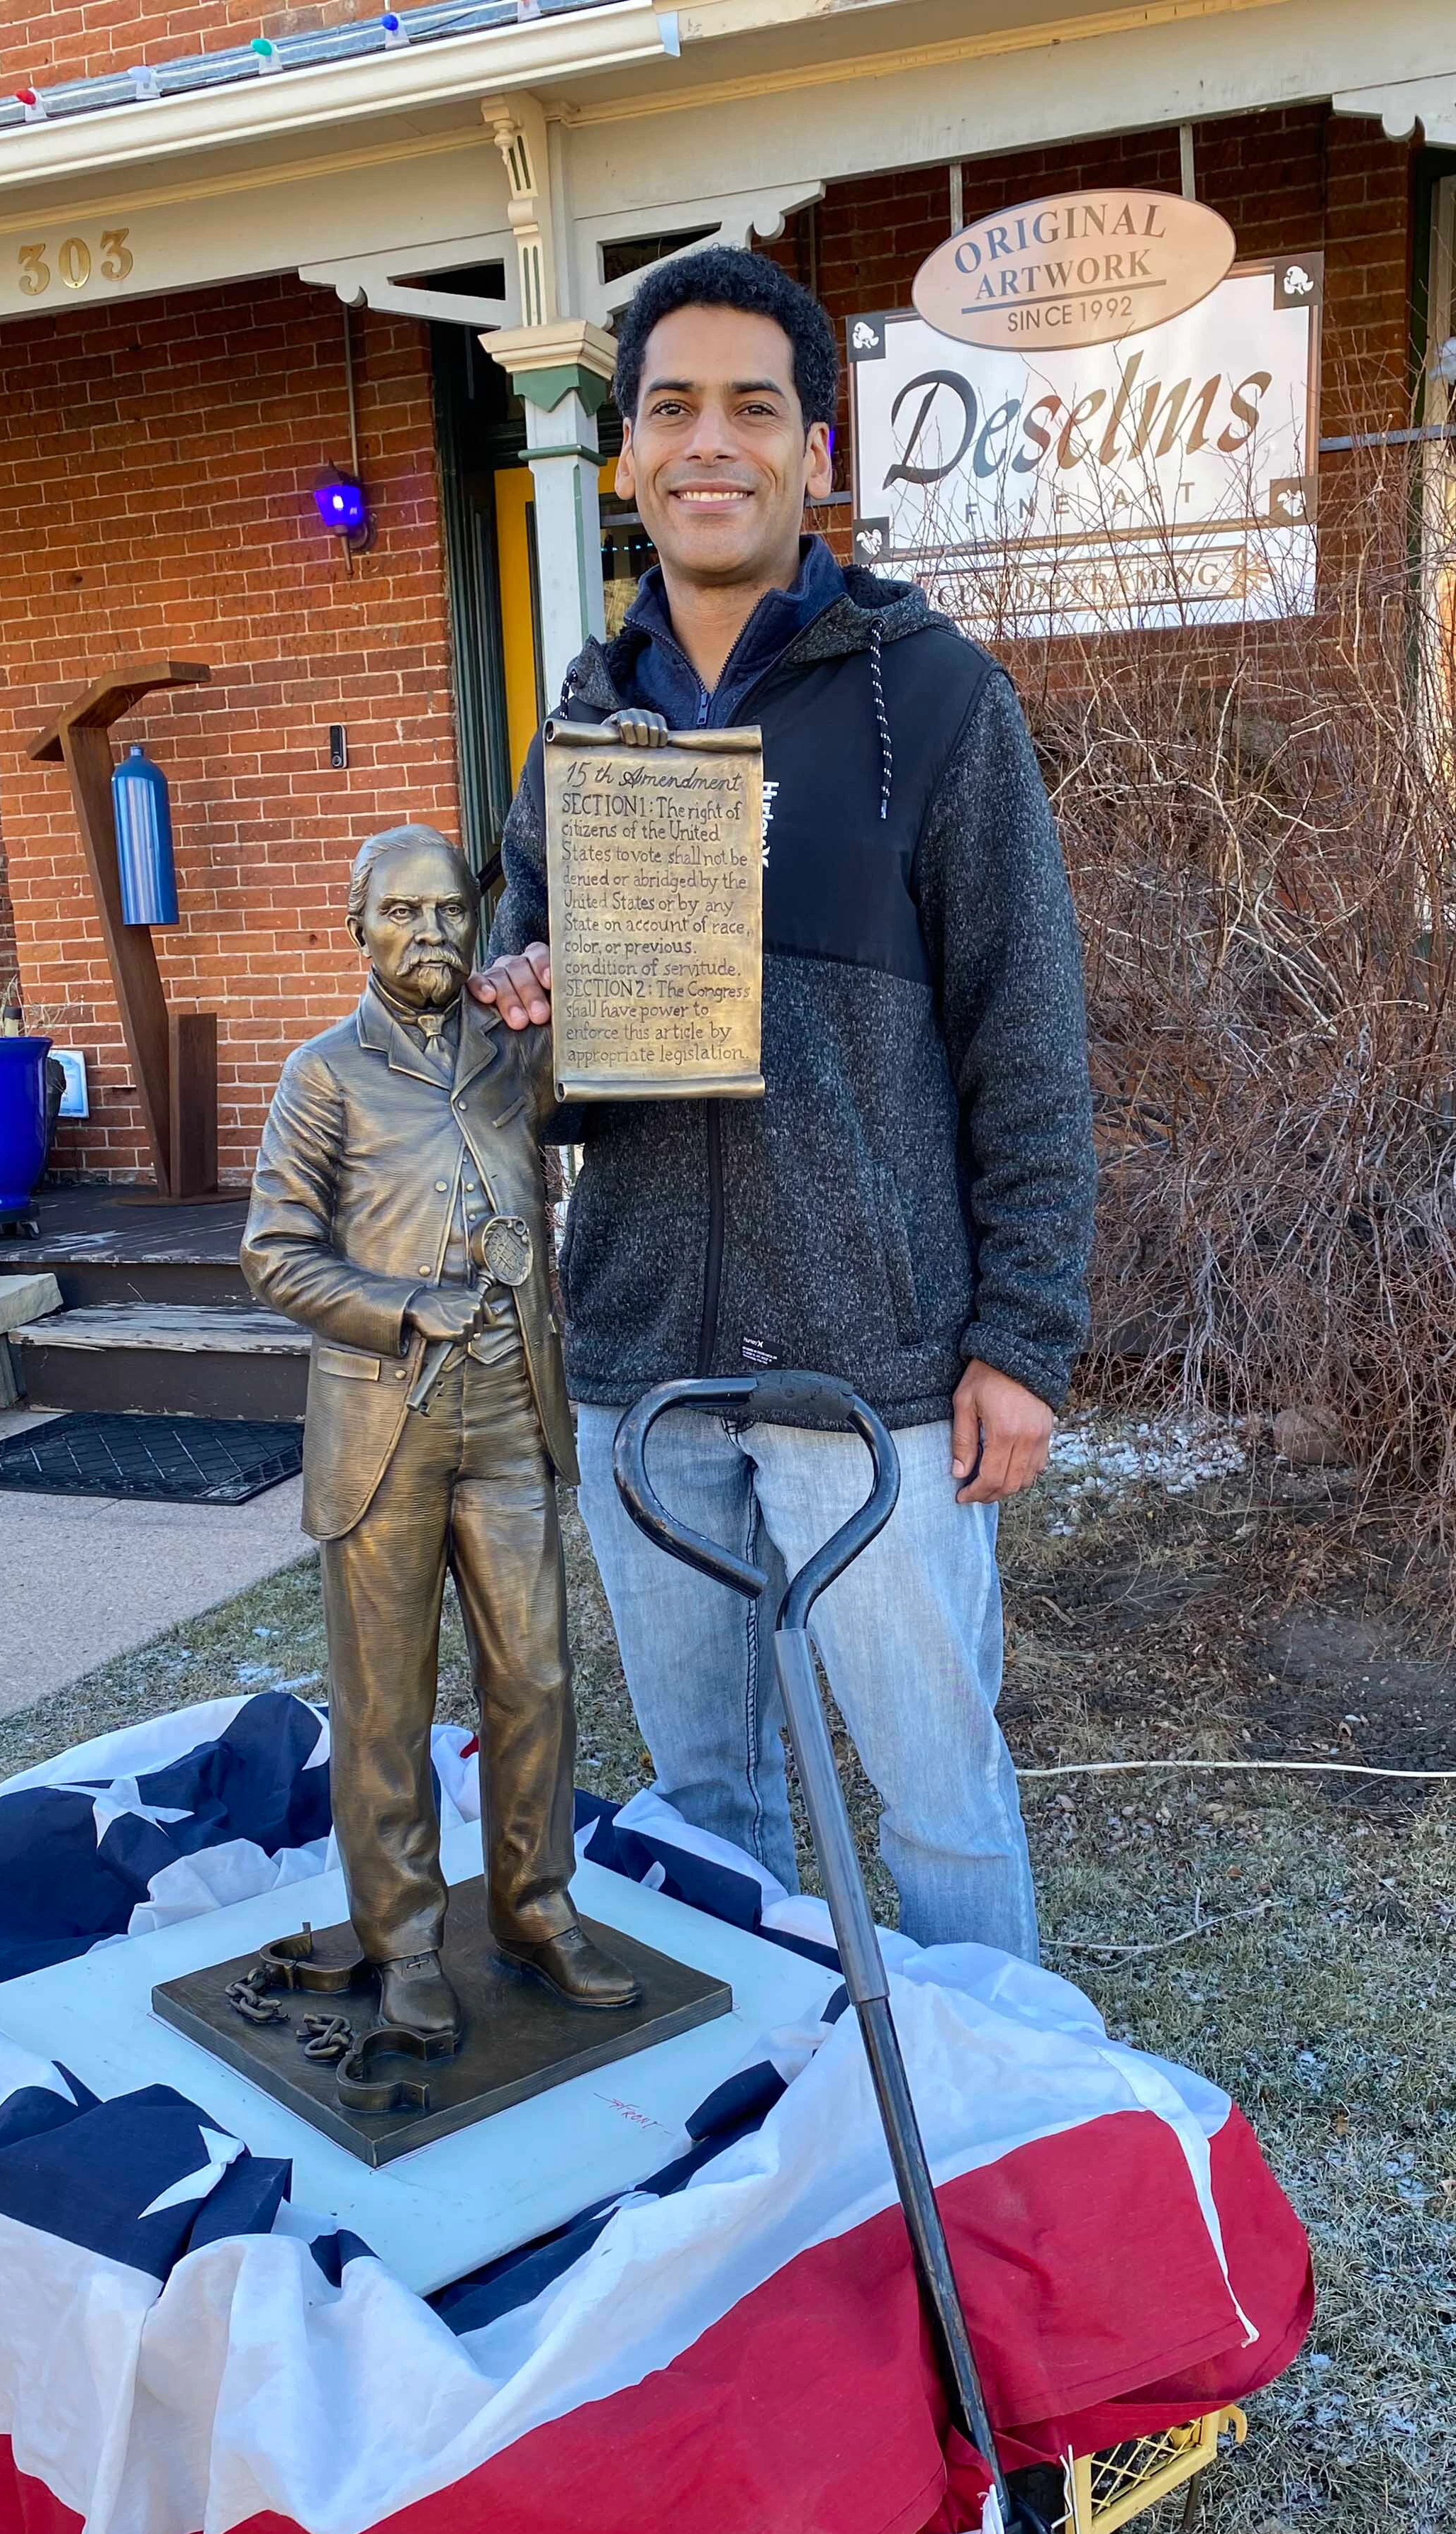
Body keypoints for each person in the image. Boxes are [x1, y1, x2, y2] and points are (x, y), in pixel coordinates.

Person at [474, 247, 1096, 1962]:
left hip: (872, 1365)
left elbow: (1026, 1037)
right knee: (708, 1807)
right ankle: (776, 2146)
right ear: (622, 453)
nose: (710, 443)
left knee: (936, 1791)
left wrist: (1022, 1337)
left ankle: (1003, 2143)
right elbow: (527, 1083)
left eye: (754, 406)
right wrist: (520, 1018)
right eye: (670, 406)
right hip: (644, 1366)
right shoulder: (583, 730)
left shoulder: (943, 701)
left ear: (815, 450)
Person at [242, 823, 638, 2062]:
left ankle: (532, 1910)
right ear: (356, 924)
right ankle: (403, 1941)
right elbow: (272, 1256)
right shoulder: (323, 1075)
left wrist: (625, 797)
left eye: (450, 914)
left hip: (514, 1407)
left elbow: (630, 1055)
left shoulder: (517, 1054)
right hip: (386, 1425)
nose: (429, 936)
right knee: (385, 1703)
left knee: (535, 1679)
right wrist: (402, 1301)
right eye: (402, 914)